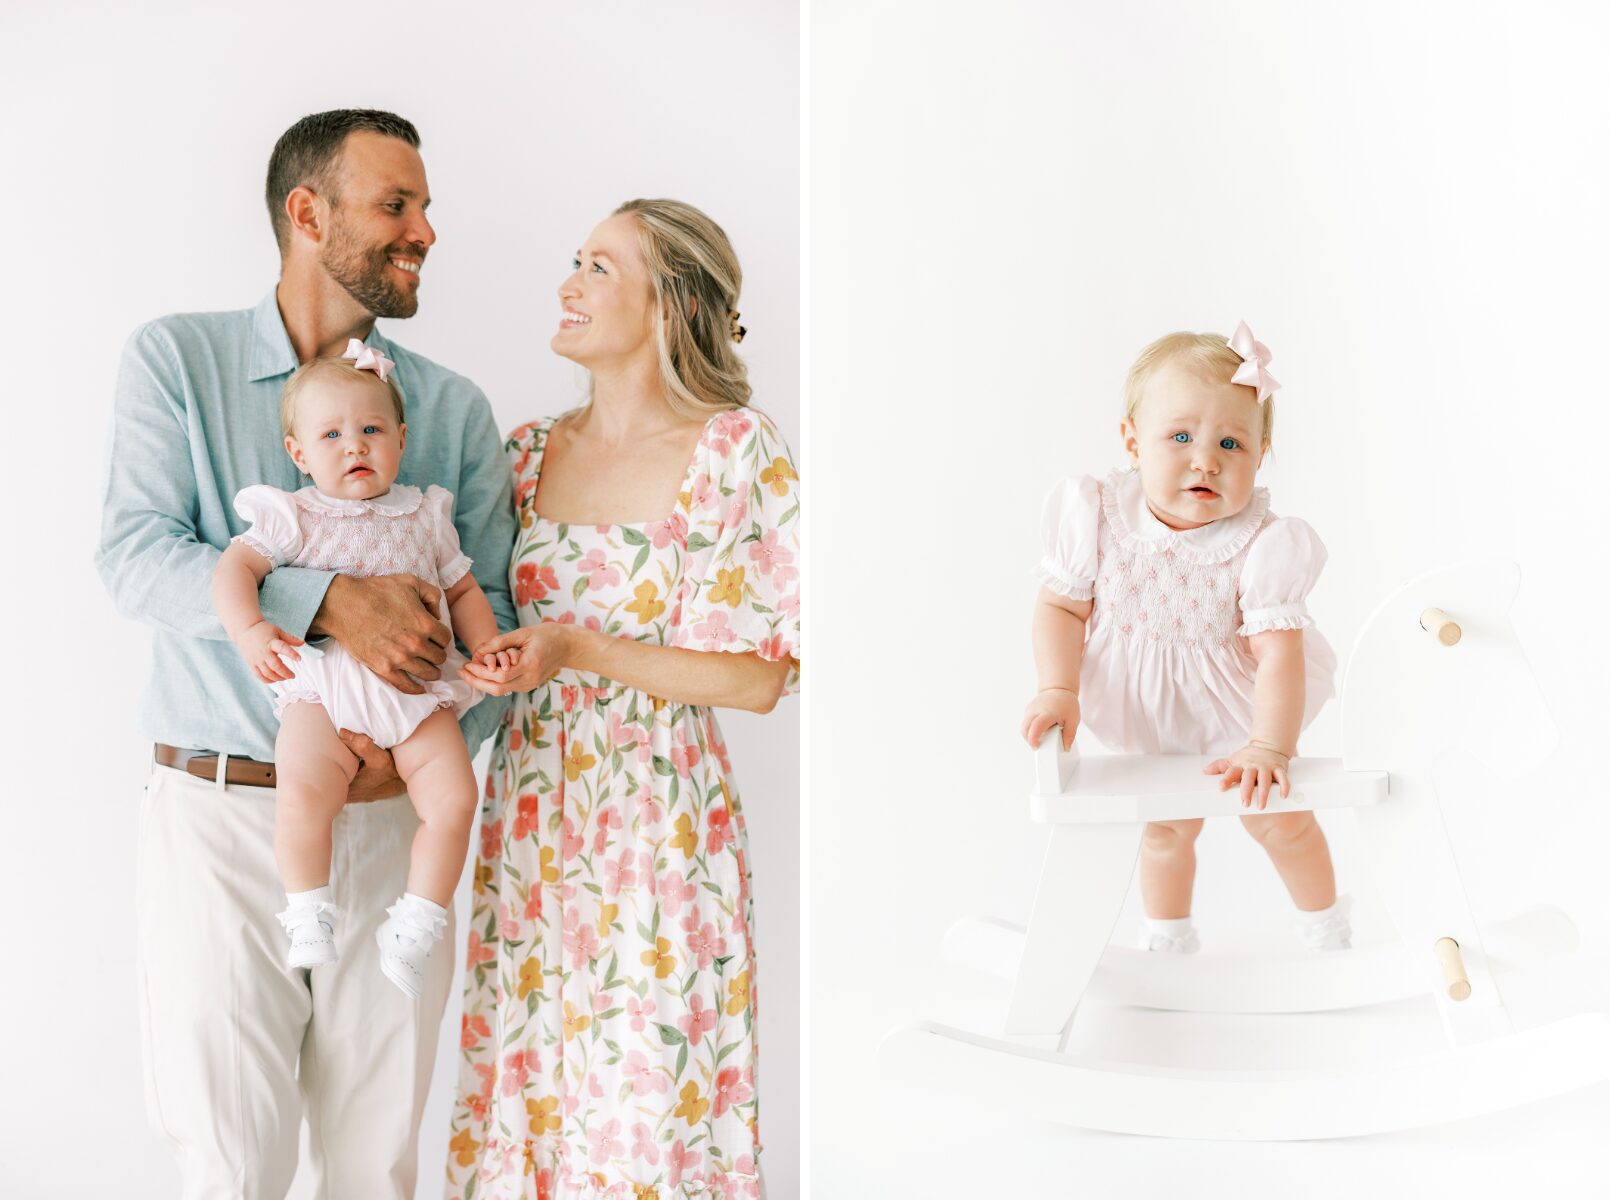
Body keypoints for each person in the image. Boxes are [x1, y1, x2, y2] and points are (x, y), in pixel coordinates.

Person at [96, 109, 515, 1197]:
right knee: (228, 1162)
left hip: (389, 828)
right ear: (306, 211)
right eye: (396, 205)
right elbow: (136, 556)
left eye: (424, 207)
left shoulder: (453, 412)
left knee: (373, 1165)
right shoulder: (174, 361)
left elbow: (494, 612)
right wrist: (328, 600)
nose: (425, 229)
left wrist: (417, 747)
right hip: (222, 820)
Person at [442, 199, 799, 1199]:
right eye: (574, 260)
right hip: (531, 824)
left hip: (658, 827)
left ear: (667, 304)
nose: (567, 283)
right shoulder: (521, 455)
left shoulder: (735, 451)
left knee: (649, 1110)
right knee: (529, 1096)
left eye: (598, 267)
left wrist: (576, 647)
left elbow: (759, 677)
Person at [1020, 323, 1351, 954]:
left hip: (1241, 716)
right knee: (1164, 831)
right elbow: (1061, 608)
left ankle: (1327, 930)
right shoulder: (1096, 517)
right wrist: (1057, 686)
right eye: (1180, 436)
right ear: (1132, 442)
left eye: (1232, 442)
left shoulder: (1261, 544)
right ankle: (1167, 942)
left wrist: (1269, 747)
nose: (1206, 459)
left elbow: (1278, 655)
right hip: (1144, 716)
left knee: (1282, 825)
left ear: (1259, 456)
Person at [213, 344, 514, 997]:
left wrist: (486, 647)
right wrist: (251, 628)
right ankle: (306, 908)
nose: (355, 446)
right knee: (302, 795)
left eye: (372, 430)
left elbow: (463, 591)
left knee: (455, 799)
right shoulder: (294, 516)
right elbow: (234, 569)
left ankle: (416, 920)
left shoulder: (425, 514)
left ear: (402, 440)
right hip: (321, 691)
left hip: (415, 696)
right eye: (332, 435)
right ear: (300, 454)